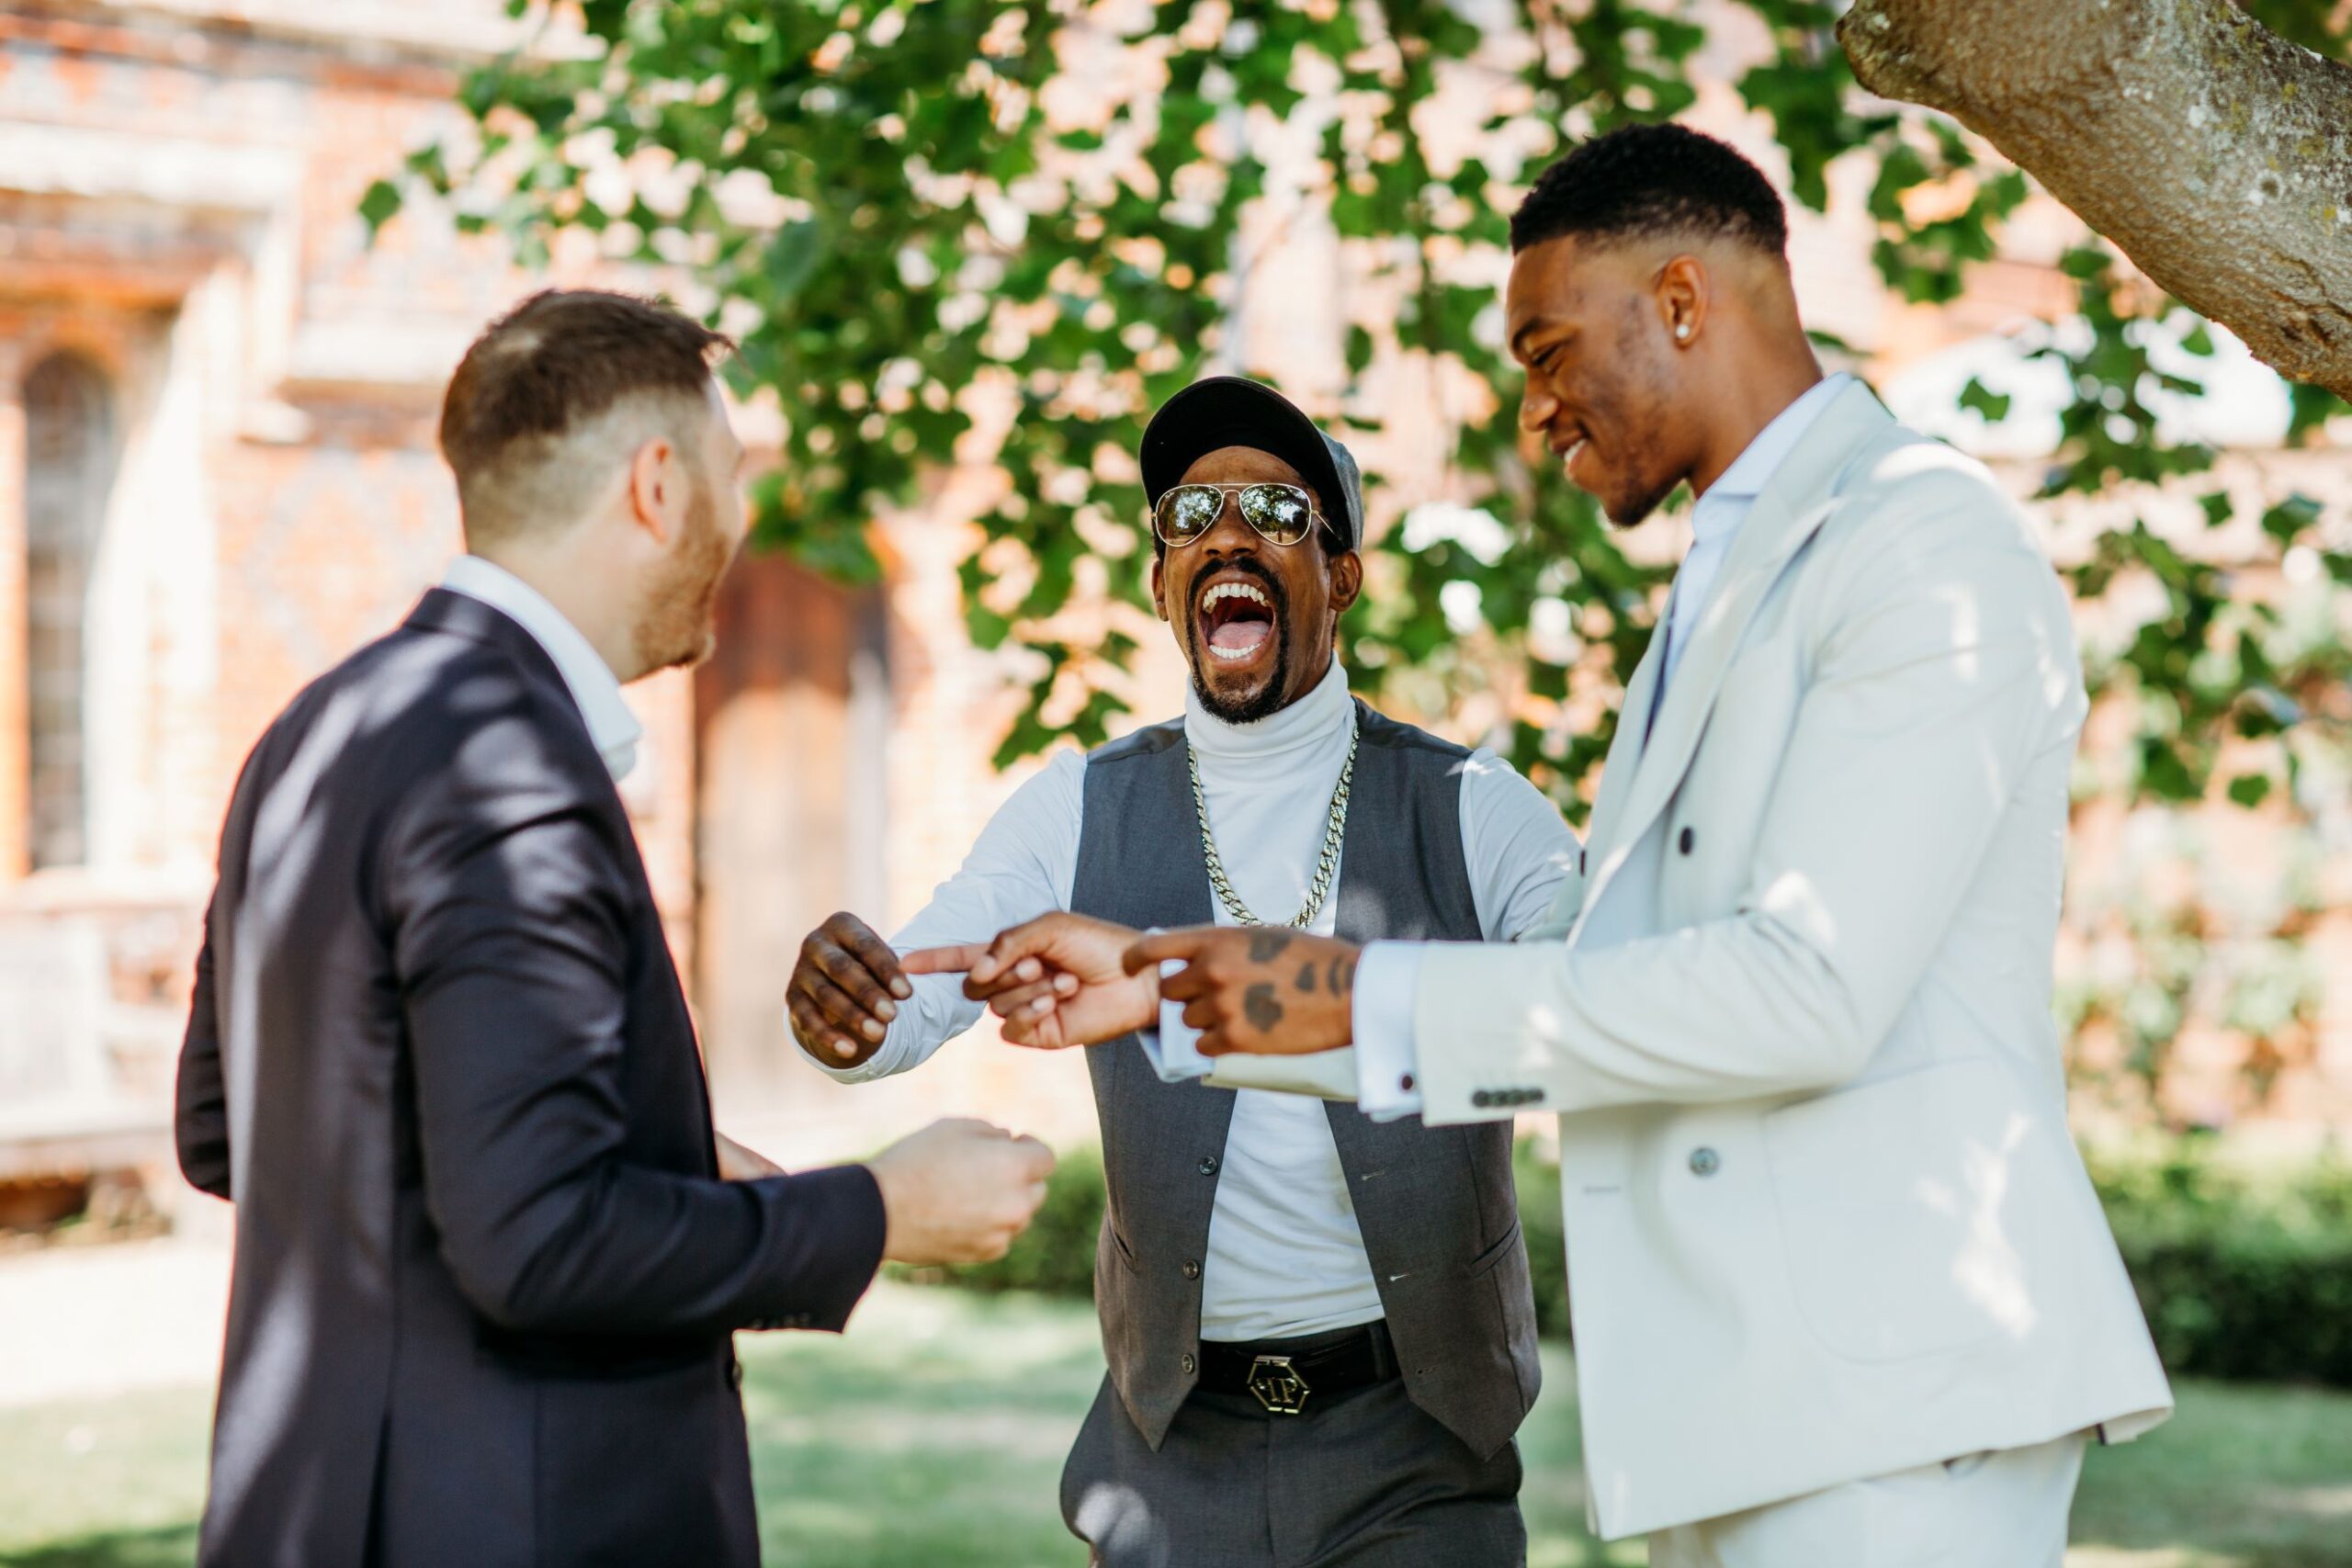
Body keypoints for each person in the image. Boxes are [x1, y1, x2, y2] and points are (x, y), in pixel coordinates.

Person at [937, 125, 2176, 1566]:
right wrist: (1171, 982)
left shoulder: (1920, 544)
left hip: (1894, 1402)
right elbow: (1622, 976)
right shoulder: (1722, 590)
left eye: (1547, 350)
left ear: (1682, 301)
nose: (1537, 413)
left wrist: (1340, 995)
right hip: (1755, 1411)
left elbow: (1807, 991)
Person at [174, 289, 1054, 1568]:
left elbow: (230, 1127)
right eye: (732, 478)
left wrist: (685, 1159)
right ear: (657, 487)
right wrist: (875, 1211)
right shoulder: (509, 771)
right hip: (511, 1524)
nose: (742, 521)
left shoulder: (324, 724)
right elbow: (541, 1243)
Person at [787, 376, 1578, 1564]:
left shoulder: (1474, 808)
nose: (1226, 532)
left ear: (1343, 575)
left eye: (1275, 508)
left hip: (1423, 1447)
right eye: (1190, 513)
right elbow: (930, 977)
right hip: (1170, 1460)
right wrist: (853, 1017)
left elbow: (1599, 1009)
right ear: (1165, 583)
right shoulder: (1081, 806)